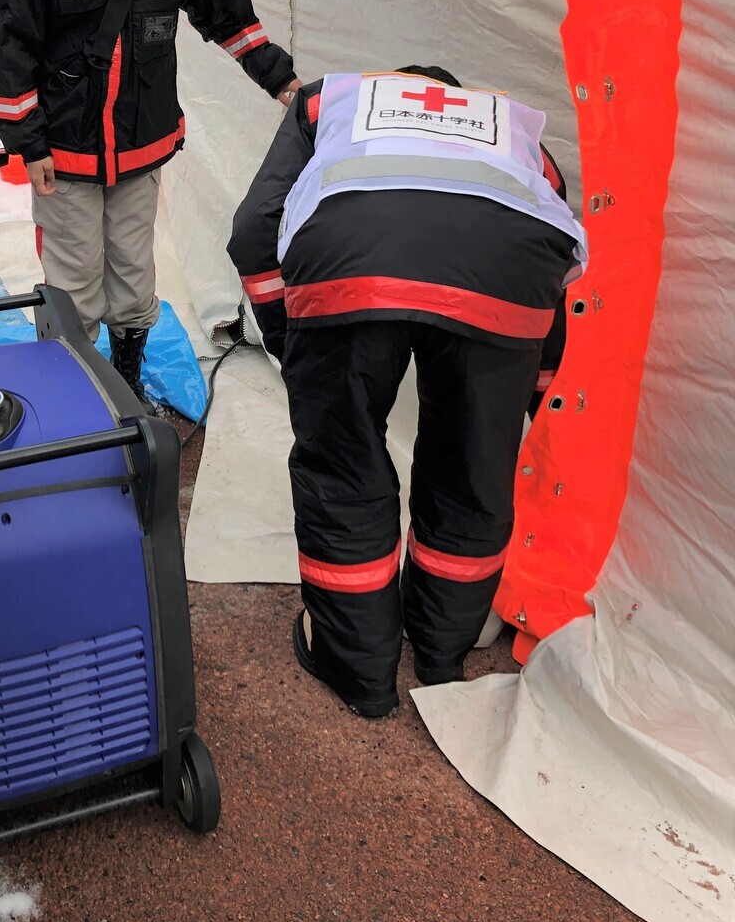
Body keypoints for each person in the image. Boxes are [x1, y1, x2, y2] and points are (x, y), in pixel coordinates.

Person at [228, 65, 585, 718]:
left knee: (343, 469)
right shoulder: (512, 125)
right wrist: (533, 387)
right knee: (473, 469)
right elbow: (555, 251)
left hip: (349, 257)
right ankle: (442, 654)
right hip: (509, 270)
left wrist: (292, 339)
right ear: (459, 94)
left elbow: (254, 225)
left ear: (388, 84)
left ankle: (360, 677)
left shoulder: (325, 101)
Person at [0, 0, 300, 399]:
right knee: (74, 280)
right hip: (65, 149)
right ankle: (70, 390)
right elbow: (8, 48)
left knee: (133, 273)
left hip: (141, 140)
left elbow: (227, 12)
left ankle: (126, 375)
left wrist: (279, 80)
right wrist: (26, 143)